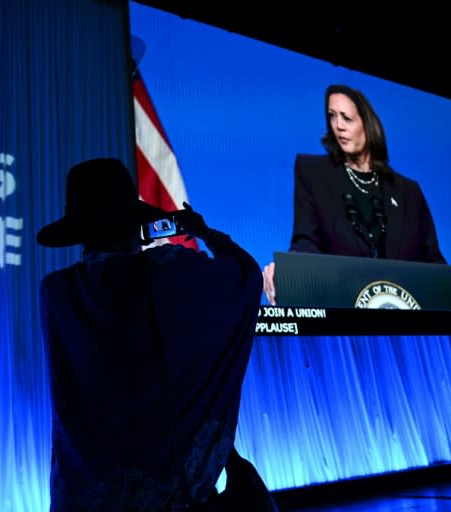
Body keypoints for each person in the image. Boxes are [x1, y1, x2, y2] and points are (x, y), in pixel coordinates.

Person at [36, 157, 277, 511]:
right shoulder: (168, 276)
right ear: (133, 224)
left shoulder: (54, 293)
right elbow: (246, 276)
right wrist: (204, 233)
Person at [262, 84, 446, 305]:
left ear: (368, 125)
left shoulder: (408, 191)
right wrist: (289, 271)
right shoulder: (313, 173)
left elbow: (432, 259)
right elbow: (306, 242)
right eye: (332, 116)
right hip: (344, 309)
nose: (338, 126)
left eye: (346, 118)